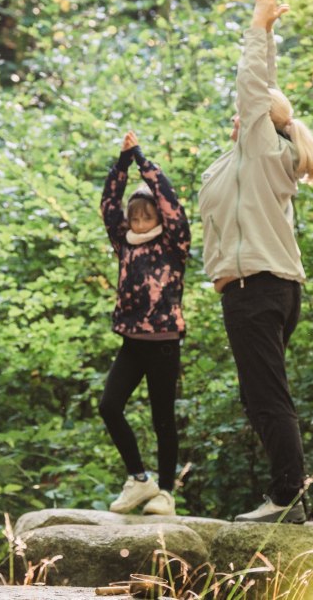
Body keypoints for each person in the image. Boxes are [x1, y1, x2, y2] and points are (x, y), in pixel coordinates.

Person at [199, 0, 313, 524]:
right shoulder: (244, 161)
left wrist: (257, 27)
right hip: (264, 289)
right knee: (261, 396)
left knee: (266, 397)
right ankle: (285, 496)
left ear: (261, 120)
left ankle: (285, 500)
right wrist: (270, 34)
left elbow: (254, 85)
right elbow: (266, 89)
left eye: (253, 111)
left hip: (259, 290)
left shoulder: (262, 152)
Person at [98, 130, 190, 517]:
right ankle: (139, 480)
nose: (137, 221)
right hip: (133, 342)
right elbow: (107, 205)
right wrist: (121, 164)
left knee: (162, 418)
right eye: (133, 216)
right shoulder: (124, 243)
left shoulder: (173, 243)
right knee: (109, 406)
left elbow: (171, 204)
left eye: (145, 215)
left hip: (164, 341)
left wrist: (141, 160)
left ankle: (165, 493)